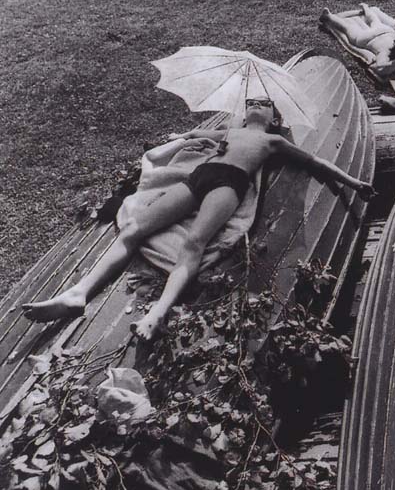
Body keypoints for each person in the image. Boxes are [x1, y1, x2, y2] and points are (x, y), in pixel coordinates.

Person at [22, 98, 375, 341]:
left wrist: (354, 183)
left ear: (275, 119)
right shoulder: (229, 132)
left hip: (229, 184)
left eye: (264, 103)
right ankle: (78, 293)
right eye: (251, 101)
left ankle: (158, 313)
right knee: (133, 227)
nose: (255, 104)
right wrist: (179, 140)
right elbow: (192, 137)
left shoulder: (272, 141)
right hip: (199, 178)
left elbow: (315, 162)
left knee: (194, 243)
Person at [320, 3, 395, 79]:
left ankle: (329, 16)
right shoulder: (390, 49)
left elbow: (379, 68)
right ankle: (366, 8)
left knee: (348, 27)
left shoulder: (386, 52)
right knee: (373, 19)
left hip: (367, 38)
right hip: (382, 31)